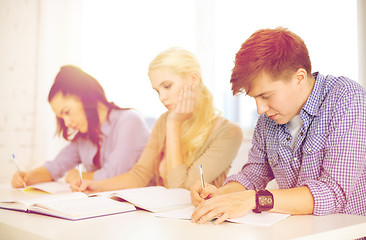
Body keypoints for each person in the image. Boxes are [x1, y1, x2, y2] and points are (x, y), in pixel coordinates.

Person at [190, 27, 366, 224]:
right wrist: (222, 197)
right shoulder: (270, 118)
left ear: (299, 78)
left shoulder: (348, 99)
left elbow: (333, 192)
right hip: (299, 232)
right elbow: (252, 175)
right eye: (254, 98)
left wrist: (255, 200)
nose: (260, 109)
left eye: (266, 96)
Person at [70, 47, 243, 193]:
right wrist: (96, 186)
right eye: (157, 90)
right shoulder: (164, 121)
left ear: (193, 79)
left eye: (167, 86)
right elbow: (139, 175)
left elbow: (182, 191)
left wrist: (174, 124)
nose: (162, 97)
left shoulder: (228, 133)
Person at [11, 65, 150, 187]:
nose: (66, 123)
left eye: (67, 112)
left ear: (85, 97)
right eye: (62, 117)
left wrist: (77, 176)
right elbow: (56, 166)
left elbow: (115, 175)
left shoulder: (129, 121)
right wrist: (28, 177)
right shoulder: (84, 137)